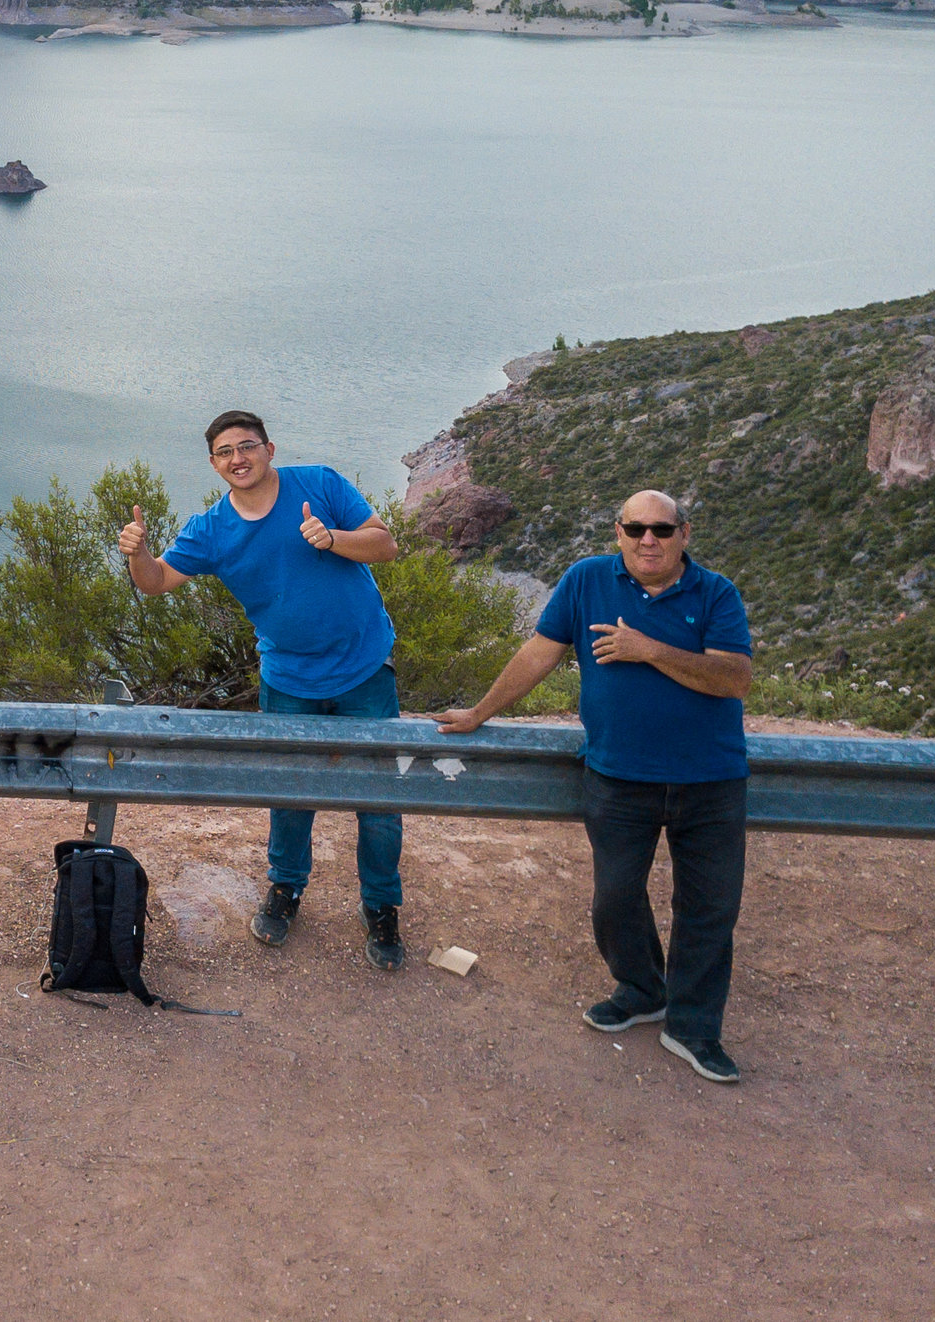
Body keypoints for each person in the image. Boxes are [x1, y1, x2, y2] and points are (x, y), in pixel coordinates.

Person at [436, 490, 754, 1085]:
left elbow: (734, 679)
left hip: (710, 781)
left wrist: (648, 650)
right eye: (635, 529)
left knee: (708, 909)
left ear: (685, 533)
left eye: (661, 528)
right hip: (617, 776)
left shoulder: (715, 594)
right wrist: (480, 712)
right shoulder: (586, 581)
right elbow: (540, 653)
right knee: (614, 898)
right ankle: (641, 990)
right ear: (619, 533)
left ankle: (693, 1028)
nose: (647, 540)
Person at [119, 410, 408, 969]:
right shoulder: (211, 530)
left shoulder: (319, 484)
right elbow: (156, 584)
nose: (238, 458)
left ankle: (381, 905)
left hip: (364, 668)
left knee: (379, 801)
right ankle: (286, 889)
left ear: (269, 449)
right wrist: (138, 554)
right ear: (213, 464)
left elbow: (384, 544)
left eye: (247, 446)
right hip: (289, 679)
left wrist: (333, 539)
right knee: (291, 792)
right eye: (225, 451)